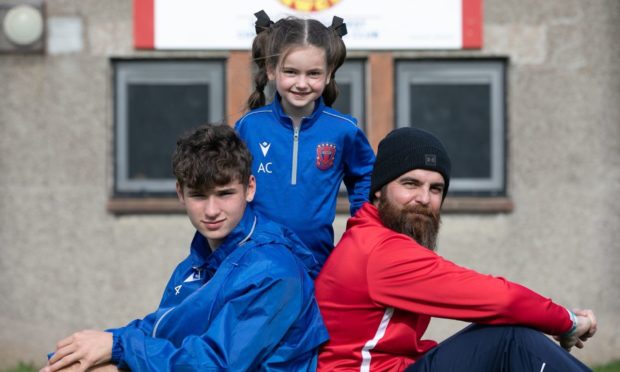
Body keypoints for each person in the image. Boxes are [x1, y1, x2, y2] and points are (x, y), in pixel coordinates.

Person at [41, 123, 329, 371]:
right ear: (181, 194)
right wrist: (83, 350)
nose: (212, 210)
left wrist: (119, 346)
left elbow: (216, 365)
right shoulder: (196, 264)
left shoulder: (274, 270)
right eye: (199, 196)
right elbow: (160, 330)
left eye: (225, 194)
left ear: (249, 188)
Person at [314, 127, 597, 371]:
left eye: (435, 189)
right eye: (410, 184)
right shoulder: (379, 250)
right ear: (379, 189)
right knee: (509, 339)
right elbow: (502, 300)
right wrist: (568, 321)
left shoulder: (376, 239)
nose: (423, 198)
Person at [235, 10, 376, 267]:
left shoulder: (344, 130)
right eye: (290, 72)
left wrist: (360, 232)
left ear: (329, 73)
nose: (302, 83)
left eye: (313, 73)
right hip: (254, 263)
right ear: (270, 69)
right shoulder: (249, 126)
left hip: (317, 264)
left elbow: (366, 177)